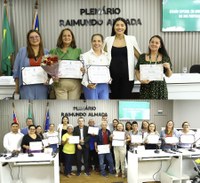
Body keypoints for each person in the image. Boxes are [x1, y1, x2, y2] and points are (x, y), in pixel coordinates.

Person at [104, 17, 140, 99]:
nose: (119, 27)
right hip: (112, 77)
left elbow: (139, 57)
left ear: (125, 27)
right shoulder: (108, 40)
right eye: (117, 25)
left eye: (122, 25)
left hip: (128, 78)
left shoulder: (131, 39)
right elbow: (102, 57)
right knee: (114, 98)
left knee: (125, 98)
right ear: (113, 27)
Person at [13, 30, 49, 99]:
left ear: (40, 38)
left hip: (42, 87)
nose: (34, 39)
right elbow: (16, 71)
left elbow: (51, 71)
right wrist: (17, 87)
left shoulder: (46, 52)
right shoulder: (22, 51)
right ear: (28, 40)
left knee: (41, 108)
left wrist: (49, 80)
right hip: (26, 88)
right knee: (27, 108)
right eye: (31, 37)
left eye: (36, 36)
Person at [135, 35, 173, 99]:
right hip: (146, 87)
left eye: (157, 43)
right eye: (152, 42)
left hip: (160, 88)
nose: (154, 44)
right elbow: (137, 71)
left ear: (160, 45)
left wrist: (168, 68)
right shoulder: (142, 57)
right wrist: (141, 80)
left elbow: (168, 75)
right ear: (149, 43)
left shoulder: (165, 58)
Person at [50, 28, 82, 99]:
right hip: (59, 83)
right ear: (61, 38)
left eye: (69, 35)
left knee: (73, 108)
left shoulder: (78, 51)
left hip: (75, 84)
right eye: (64, 36)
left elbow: (82, 66)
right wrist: (52, 74)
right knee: (62, 107)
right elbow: (49, 68)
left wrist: (82, 69)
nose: (66, 37)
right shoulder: (53, 51)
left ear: (72, 38)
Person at [81, 34, 110, 99]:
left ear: (102, 43)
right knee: (92, 107)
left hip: (104, 86)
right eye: (94, 41)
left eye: (99, 41)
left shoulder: (107, 56)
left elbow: (109, 70)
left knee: (104, 107)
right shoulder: (84, 56)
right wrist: (86, 84)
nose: (96, 43)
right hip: (90, 86)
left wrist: (109, 78)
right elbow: (82, 73)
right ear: (91, 42)